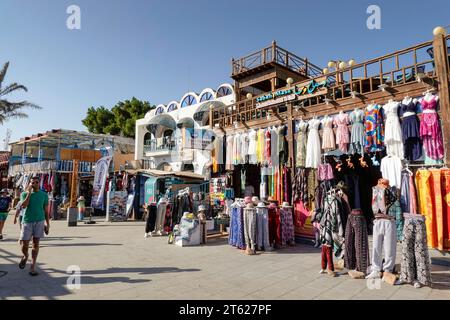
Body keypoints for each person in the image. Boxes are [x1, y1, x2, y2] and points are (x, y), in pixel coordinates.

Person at [18, 177, 50, 276]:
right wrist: (29, 193)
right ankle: (25, 255)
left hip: (39, 221)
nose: (35, 184)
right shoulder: (24, 194)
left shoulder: (44, 195)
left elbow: (45, 210)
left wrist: (48, 224)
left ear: (39, 183)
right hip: (27, 221)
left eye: (37, 182)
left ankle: (32, 266)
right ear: (30, 183)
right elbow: (23, 206)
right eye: (33, 182)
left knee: (36, 244)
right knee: (24, 244)